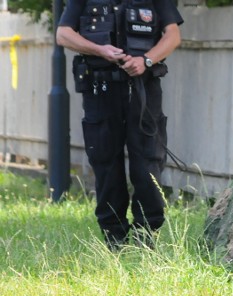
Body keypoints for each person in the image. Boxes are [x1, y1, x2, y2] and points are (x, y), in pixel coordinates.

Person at [56, 0, 183, 249]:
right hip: (100, 89)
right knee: (105, 164)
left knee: (147, 165)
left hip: (143, 90)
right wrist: (99, 50)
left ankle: (146, 237)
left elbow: (173, 35)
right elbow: (63, 34)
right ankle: (114, 238)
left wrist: (146, 60)